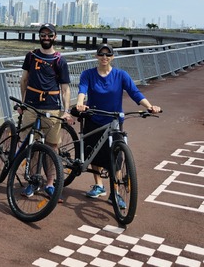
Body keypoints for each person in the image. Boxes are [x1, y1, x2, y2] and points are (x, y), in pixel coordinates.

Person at [75, 43, 161, 207]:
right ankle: (99, 185)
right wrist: (80, 103)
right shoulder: (88, 74)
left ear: (113, 57)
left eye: (108, 55)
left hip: (114, 121)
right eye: (101, 54)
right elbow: (82, 90)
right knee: (94, 152)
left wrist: (149, 106)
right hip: (94, 118)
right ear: (96, 56)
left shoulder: (121, 75)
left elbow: (134, 92)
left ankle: (115, 193)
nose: (104, 58)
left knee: (117, 156)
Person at [19, 23, 75, 198]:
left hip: (52, 108)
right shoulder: (31, 56)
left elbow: (65, 89)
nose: (46, 38)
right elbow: (24, 81)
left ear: (54, 37)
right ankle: (34, 181)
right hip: (31, 107)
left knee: (52, 146)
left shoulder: (60, 60)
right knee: (33, 146)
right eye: (43, 35)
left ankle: (50, 183)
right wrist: (23, 103)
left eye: (49, 35)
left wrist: (66, 111)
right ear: (39, 36)